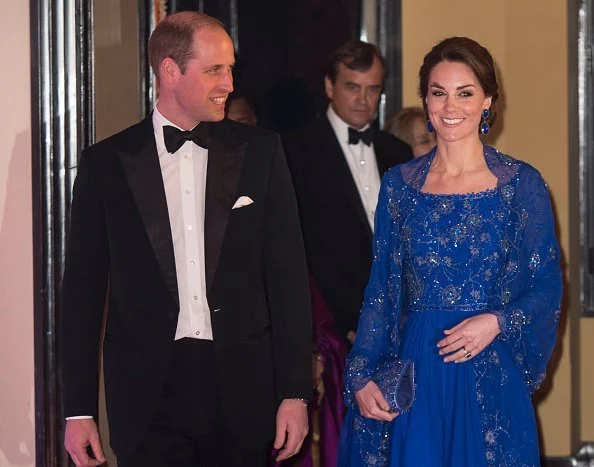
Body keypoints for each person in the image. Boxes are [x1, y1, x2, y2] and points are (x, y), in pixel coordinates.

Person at [60, 11, 311, 467]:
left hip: (243, 390)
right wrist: (77, 410)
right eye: (215, 69)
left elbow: (289, 280)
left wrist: (295, 392)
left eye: (230, 68)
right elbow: (81, 294)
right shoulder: (106, 165)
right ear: (170, 71)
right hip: (148, 398)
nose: (229, 83)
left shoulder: (261, 152)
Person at [338, 36, 562, 466]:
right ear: (426, 100)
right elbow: (381, 290)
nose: (450, 106)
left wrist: (497, 321)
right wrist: (362, 372)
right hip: (418, 367)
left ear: (487, 101)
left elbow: (547, 285)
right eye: (438, 93)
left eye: (465, 93)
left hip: (491, 366)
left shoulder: (521, 185)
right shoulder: (399, 186)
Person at [284, 40, 413, 348]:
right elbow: (299, 250)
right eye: (352, 87)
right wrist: (341, 324)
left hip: (398, 323)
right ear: (329, 86)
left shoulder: (398, 152)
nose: (362, 100)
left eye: (372, 89)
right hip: (331, 329)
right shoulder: (295, 152)